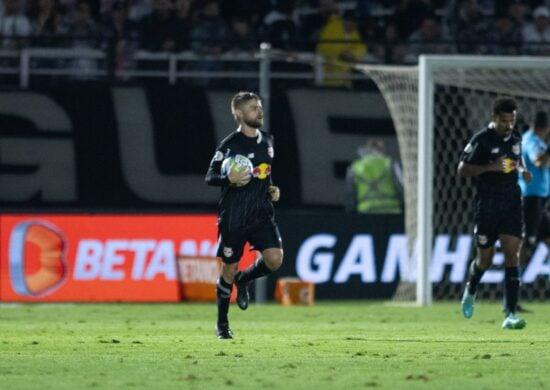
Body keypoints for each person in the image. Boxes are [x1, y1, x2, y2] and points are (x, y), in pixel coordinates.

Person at [205, 91, 284, 340]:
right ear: (239, 113)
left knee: (275, 260)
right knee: (228, 269)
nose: (258, 111)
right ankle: (222, 324)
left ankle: (245, 280)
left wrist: (272, 188)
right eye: (252, 108)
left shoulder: (268, 141)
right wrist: (227, 178)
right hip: (234, 216)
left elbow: (266, 172)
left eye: (259, 106)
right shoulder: (230, 145)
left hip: (261, 212)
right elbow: (209, 177)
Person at [458, 96, 531, 330]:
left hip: (511, 204)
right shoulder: (481, 140)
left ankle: (510, 313)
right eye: (504, 121)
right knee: (485, 261)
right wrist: (490, 166)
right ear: (494, 118)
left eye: (512, 120)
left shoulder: (516, 139)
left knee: (512, 255)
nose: (508, 125)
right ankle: (471, 288)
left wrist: (524, 169)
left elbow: (516, 162)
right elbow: (462, 169)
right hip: (487, 206)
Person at [518, 111, 550, 293]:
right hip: (530, 200)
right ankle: (511, 296)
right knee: (524, 246)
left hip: (538, 201)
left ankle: (511, 296)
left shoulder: (534, 140)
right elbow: (538, 161)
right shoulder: (531, 141)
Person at [345, 138, 403, 214]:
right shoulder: (390, 163)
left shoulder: (355, 167)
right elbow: (401, 187)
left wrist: (350, 212)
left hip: (366, 212)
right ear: (381, 149)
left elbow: (350, 193)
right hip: (391, 211)